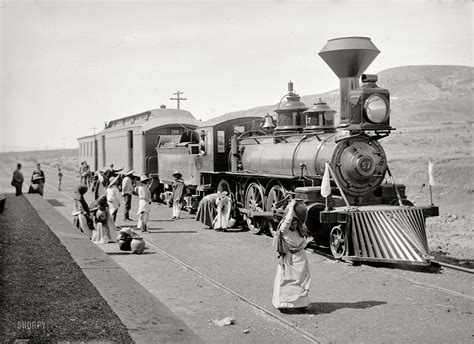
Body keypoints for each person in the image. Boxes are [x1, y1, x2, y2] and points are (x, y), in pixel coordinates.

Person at [272, 199, 313, 312]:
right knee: (286, 281)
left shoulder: (299, 232)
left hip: (300, 259)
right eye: (292, 223)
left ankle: (300, 303)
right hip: (288, 258)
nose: (294, 225)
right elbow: (287, 220)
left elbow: (304, 242)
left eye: (296, 223)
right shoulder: (285, 231)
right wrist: (291, 208)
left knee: (302, 281)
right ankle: (284, 304)